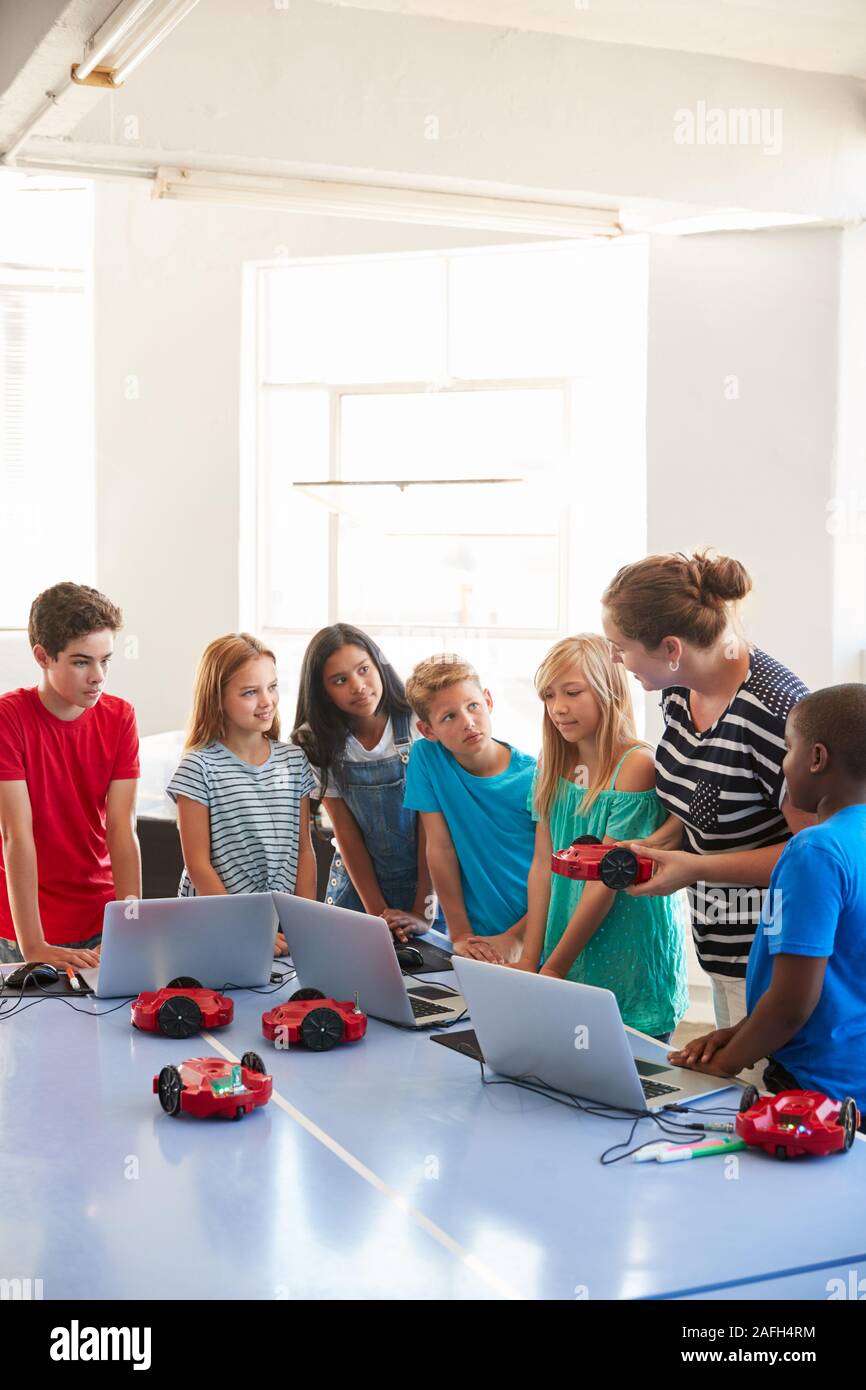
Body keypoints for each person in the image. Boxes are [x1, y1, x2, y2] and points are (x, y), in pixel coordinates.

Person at [601, 550, 812, 1033]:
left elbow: (816, 853)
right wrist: (660, 843)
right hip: (719, 941)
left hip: (777, 956)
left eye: (621, 645)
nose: (615, 657)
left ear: (671, 648)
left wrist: (694, 868)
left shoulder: (775, 715)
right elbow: (705, 796)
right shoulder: (677, 688)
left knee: (760, 1098)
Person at [668, 684, 866, 1121]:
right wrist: (736, 1034)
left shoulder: (814, 851)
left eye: (787, 749)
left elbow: (793, 1003)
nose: (783, 763)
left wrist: (725, 1064)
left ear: (816, 758)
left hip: (816, 1091)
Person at [514, 635, 688, 1040]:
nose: (558, 708)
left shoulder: (635, 765)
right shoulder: (551, 762)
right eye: (549, 695)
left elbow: (605, 882)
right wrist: (531, 959)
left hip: (627, 951)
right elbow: (542, 865)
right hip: (566, 938)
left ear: (609, 690)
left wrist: (554, 968)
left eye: (573, 692)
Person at [0, 582, 140, 968]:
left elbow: (121, 830)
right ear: (43, 656)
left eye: (105, 660)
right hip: (24, 929)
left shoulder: (120, 717)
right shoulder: (8, 718)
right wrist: (34, 947)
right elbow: (16, 834)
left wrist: (132, 925)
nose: (98, 676)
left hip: (100, 920)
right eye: (82, 662)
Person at [167, 634, 316, 954]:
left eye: (272, 687)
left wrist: (306, 924)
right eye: (250, 692)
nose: (267, 701)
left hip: (276, 927)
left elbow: (304, 850)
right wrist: (246, 928)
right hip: (214, 925)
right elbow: (197, 865)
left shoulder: (294, 761)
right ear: (216, 699)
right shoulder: (199, 766)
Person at [293, 624, 437, 941]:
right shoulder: (315, 741)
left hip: (429, 884)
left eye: (363, 670)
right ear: (323, 692)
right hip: (358, 888)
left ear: (378, 664)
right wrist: (377, 914)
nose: (358, 686)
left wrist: (423, 910)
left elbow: (432, 827)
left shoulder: (418, 721)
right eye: (340, 680)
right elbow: (347, 834)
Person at [403, 654, 535, 962]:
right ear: (428, 730)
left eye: (472, 706)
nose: (468, 722)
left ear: (487, 701)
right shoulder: (426, 757)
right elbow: (440, 848)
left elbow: (554, 873)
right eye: (449, 717)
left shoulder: (535, 777)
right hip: (475, 938)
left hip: (534, 931)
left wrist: (516, 938)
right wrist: (460, 934)